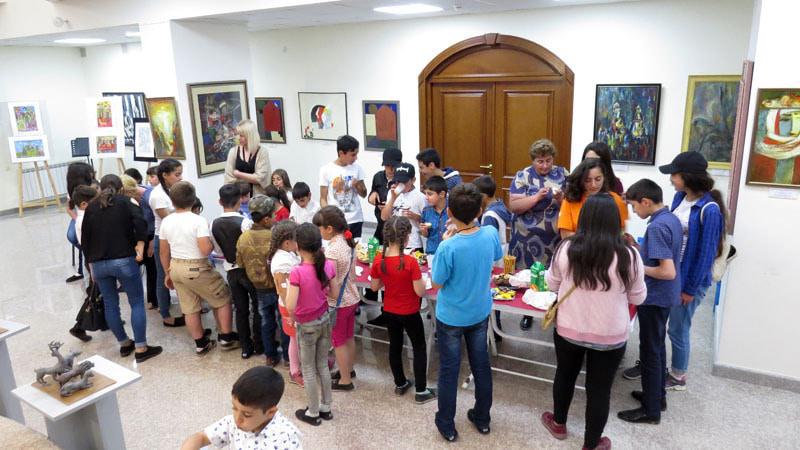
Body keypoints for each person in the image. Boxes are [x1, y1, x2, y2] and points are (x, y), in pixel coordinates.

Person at [540, 194, 646, 450]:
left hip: (569, 329)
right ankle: (591, 444)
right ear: (616, 221)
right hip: (610, 335)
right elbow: (638, 297)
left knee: (565, 375)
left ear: (584, 218)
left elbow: (552, 283)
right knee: (599, 390)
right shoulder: (630, 255)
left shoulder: (566, 248)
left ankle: (559, 423)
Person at [622, 151, 725, 391]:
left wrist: (689, 289)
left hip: (688, 280)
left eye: (674, 175)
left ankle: (678, 375)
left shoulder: (709, 210)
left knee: (677, 328)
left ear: (687, 176)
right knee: (656, 327)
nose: (671, 180)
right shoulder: (680, 198)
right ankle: (650, 364)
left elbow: (706, 254)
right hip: (671, 274)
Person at [431, 183, 502, 442]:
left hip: (451, 316)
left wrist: (445, 242)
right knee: (480, 365)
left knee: (449, 370)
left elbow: (437, 283)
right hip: (479, 311)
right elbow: (495, 258)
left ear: (449, 212)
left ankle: (446, 424)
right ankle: (482, 418)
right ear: (479, 211)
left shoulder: (448, 247)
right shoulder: (490, 233)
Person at [617, 179, 682, 424]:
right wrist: (637, 247)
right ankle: (657, 397)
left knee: (650, 351)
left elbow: (667, 271)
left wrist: (636, 265)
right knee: (657, 347)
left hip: (655, 296)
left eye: (634, 207)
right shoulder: (670, 219)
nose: (634, 212)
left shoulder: (656, 227)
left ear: (645, 201)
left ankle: (651, 411)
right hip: (665, 296)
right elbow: (662, 257)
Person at [80, 174, 163, 363]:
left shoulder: (91, 207)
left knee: (110, 304)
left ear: (100, 188)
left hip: (99, 264)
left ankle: (124, 343)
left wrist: (91, 266)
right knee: (136, 302)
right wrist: (140, 245)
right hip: (124, 260)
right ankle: (141, 347)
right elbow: (141, 224)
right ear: (121, 189)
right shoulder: (127, 202)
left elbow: (85, 240)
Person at [159, 181, 238, 355]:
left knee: (189, 308)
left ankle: (201, 344)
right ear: (193, 199)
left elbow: (163, 252)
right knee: (222, 297)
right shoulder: (198, 220)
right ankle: (226, 337)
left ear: (172, 201)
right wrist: (212, 242)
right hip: (196, 267)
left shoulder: (166, 221)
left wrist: (167, 273)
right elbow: (205, 250)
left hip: (176, 267)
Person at [370, 216, 437, 404]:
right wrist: (422, 280)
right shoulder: (410, 262)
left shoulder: (379, 259)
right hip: (409, 312)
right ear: (406, 237)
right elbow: (419, 291)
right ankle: (421, 391)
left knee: (395, 346)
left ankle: (400, 383)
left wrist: (389, 279)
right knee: (419, 347)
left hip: (389, 311)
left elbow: (374, 287)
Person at [508, 139, 567, 330]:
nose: (545, 165)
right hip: (526, 239)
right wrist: (536, 197)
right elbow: (515, 206)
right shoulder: (523, 176)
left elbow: (571, 205)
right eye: (540, 161)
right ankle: (528, 312)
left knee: (554, 276)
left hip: (554, 238)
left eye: (548, 160)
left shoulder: (563, 174)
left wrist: (561, 198)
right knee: (530, 275)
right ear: (533, 160)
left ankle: (554, 311)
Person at [285, 223, 338, 426]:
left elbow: (290, 304)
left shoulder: (297, 272)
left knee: (308, 369)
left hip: (306, 325)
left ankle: (313, 412)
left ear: (298, 246)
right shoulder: (327, 265)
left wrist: (292, 316)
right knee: (322, 364)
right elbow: (334, 293)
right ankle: (326, 407)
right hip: (324, 319)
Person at [180, 366, 301, 450]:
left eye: (247, 414)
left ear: (270, 412)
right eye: (234, 408)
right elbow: (201, 437)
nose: (237, 419)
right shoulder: (233, 422)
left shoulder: (286, 438)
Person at [211, 184, 261, 359]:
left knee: (240, 309)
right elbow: (253, 248)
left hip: (231, 271)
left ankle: (246, 347)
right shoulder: (245, 222)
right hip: (248, 270)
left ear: (220, 202)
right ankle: (259, 344)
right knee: (257, 307)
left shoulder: (214, 224)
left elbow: (217, 250)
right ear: (240, 200)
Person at [313, 206, 359, 391]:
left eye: (319, 228)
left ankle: (345, 380)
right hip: (351, 297)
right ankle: (349, 369)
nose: (318, 232)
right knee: (348, 337)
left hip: (338, 302)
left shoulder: (332, 250)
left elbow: (329, 280)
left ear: (329, 228)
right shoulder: (347, 242)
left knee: (338, 341)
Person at [238, 195, 282, 366]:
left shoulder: (243, 237)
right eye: (273, 215)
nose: (275, 217)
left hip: (259, 288)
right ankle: (288, 356)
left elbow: (240, 263)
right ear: (266, 219)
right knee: (283, 322)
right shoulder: (274, 237)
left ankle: (270, 356)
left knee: (266, 322)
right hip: (278, 287)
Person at [149, 158, 186, 327]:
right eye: (177, 174)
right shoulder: (157, 195)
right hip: (164, 239)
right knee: (164, 275)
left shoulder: (175, 189)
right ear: (165, 175)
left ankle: (190, 308)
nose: (180, 177)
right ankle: (165, 314)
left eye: (180, 174)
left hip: (178, 237)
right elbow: (171, 219)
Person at [558, 158, 628, 239]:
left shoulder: (616, 200)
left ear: (604, 177)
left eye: (598, 179)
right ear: (581, 180)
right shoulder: (571, 200)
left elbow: (621, 233)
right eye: (588, 180)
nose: (593, 185)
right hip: (577, 246)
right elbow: (565, 235)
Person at [318, 135, 367, 238]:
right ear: (341, 153)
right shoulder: (326, 170)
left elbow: (364, 194)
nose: (356, 158)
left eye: (356, 154)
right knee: (338, 246)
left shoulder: (357, 168)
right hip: (337, 221)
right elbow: (323, 199)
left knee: (355, 246)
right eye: (353, 155)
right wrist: (329, 217)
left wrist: (357, 185)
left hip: (355, 218)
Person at [126, 168, 158, 310]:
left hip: (150, 235)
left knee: (153, 269)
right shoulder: (131, 200)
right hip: (139, 237)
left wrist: (152, 241)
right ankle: (149, 299)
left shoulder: (149, 195)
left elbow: (156, 220)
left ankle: (155, 300)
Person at [380, 163, 426, 252]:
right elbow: (384, 217)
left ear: (413, 180)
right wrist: (393, 198)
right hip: (394, 241)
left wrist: (415, 216)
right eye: (397, 181)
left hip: (413, 243)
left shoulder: (421, 197)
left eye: (404, 182)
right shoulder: (392, 193)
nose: (400, 184)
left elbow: (427, 221)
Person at [65, 162, 95, 284]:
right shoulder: (72, 189)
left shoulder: (93, 185)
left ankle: (85, 264)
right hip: (80, 216)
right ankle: (86, 259)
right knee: (72, 236)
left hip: (94, 216)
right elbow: (69, 208)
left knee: (83, 239)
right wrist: (77, 219)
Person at [225, 119, 272, 195]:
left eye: (241, 135)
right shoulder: (233, 152)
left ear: (250, 136)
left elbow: (260, 178)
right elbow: (229, 178)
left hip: (258, 197)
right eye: (237, 134)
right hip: (238, 197)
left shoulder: (262, 152)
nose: (238, 138)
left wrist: (238, 174)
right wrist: (251, 178)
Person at [368, 148, 403, 244]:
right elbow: (373, 192)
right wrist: (372, 196)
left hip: (396, 226)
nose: (391, 169)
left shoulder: (402, 179)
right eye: (387, 166)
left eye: (394, 166)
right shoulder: (378, 177)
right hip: (380, 224)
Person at [419, 176, 448, 255]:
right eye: (425, 193)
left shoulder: (453, 210)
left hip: (449, 253)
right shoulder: (426, 211)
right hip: (432, 253)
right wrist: (424, 231)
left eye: (430, 194)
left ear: (442, 194)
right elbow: (426, 235)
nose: (426, 197)